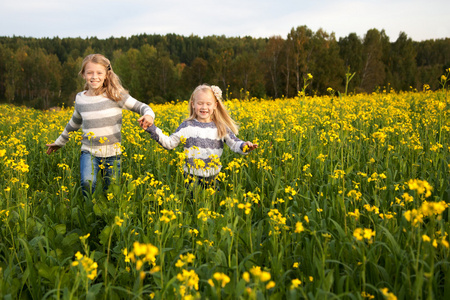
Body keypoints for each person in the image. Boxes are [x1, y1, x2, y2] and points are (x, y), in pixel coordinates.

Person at [46, 54, 155, 195]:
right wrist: (59, 143)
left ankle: (105, 216)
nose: (94, 76)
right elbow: (74, 123)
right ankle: (88, 210)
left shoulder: (115, 94)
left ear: (106, 75)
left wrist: (149, 115)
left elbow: (142, 107)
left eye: (99, 73)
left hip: (112, 153)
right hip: (89, 152)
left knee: (111, 192)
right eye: (89, 72)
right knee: (87, 183)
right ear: (83, 74)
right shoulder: (80, 98)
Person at [141, 84, 257, 190]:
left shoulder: (221, 126)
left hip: (213, 177)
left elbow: (234, 143)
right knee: (193, 207)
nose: (204, 107)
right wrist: (152, 129)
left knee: (212, 207)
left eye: (208, 104)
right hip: (191, 178)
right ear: (193, 104)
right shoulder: (186, 126)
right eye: (200, 103)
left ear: (215, 105)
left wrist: (244, 146)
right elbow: (169, 143)